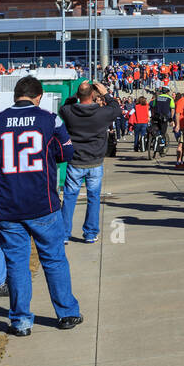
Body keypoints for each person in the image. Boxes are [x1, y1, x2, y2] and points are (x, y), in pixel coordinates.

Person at [0, 75, 82, 336]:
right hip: (42, 202)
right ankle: (66, 314)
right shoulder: (49, 119)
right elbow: (66, 153)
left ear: (15, 96)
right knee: (54, 259)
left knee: (17, 263)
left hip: (8, 205)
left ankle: (21, 321)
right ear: (39, 96)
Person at [58, 80, 121, 244]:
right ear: (94, 95)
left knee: (70, 198)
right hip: (95, 161)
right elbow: (116, 108)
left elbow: (64, 106)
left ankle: (64, 234)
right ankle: (90, 233)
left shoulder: (69, 111)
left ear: (79, 96)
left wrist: (77, 93)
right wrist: (105, 92)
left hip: (76, 161)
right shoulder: (102, 113)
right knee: (93, 198)